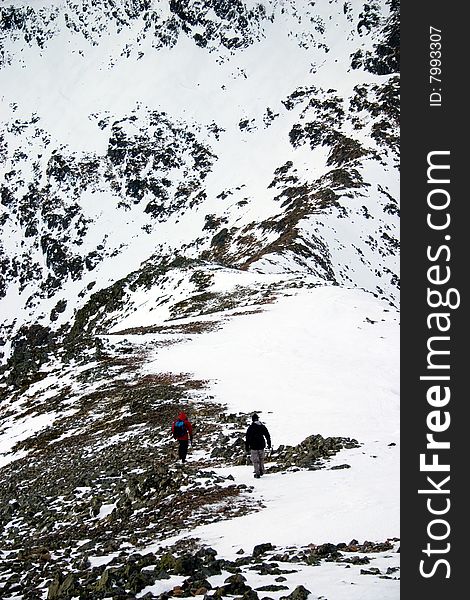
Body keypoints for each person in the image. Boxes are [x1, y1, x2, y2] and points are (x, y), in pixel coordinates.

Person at [245, 413, 271, 478]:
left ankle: (257, 473)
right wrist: (269, 443)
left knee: (255, 460)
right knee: (261, 459)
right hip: (261, 445)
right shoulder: (262, 426)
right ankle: (262, 470)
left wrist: (247, 447)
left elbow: (248, 438)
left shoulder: (251, 427)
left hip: (254, 446)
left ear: (252, 420)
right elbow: (267, 435)